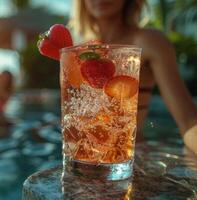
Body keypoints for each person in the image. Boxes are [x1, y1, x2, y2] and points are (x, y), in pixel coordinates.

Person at [70, 0, 197, 153]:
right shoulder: (76, 52)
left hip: (132, 160)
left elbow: (189, 121)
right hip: (83, 159)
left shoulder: (149, 42)